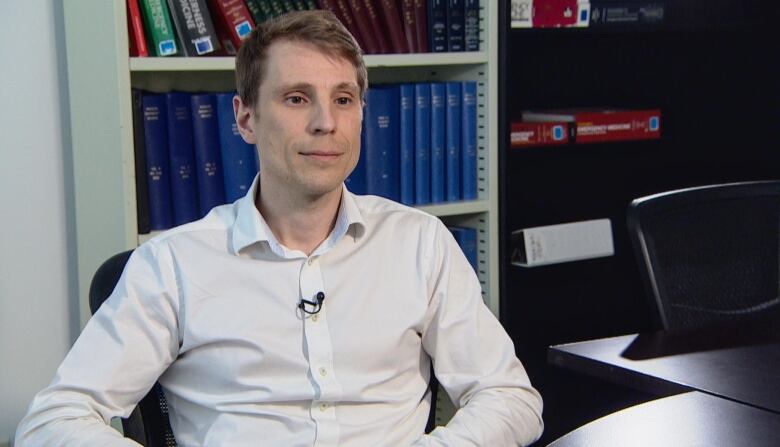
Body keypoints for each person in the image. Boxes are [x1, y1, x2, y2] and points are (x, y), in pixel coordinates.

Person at [16, 10, 542, 446]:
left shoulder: (420, 244)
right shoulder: (174, 264)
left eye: (343, 99)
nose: (325, 123)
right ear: (245, 119)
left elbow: (511, 398)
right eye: (296, 98)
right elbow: (54, 420)